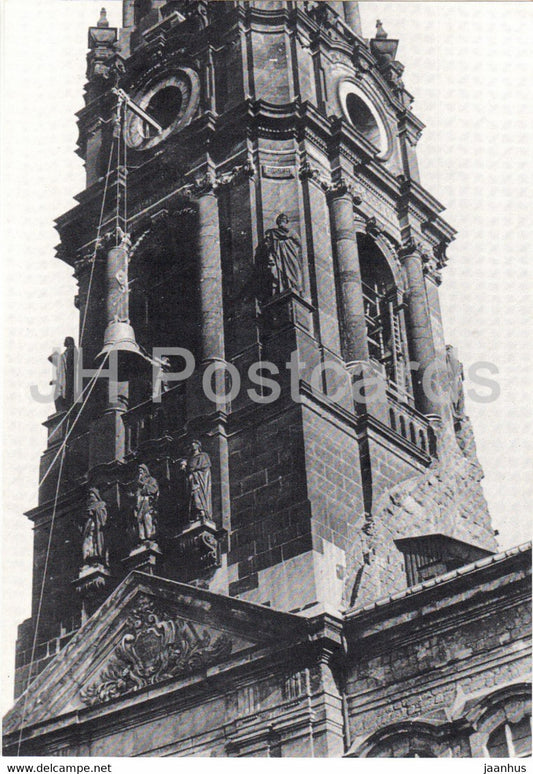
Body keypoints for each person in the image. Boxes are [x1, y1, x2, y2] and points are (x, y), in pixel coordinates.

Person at [261, 213, 302, 296]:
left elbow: (299, 243)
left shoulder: (291, 232)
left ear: (286, 222)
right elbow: (267, 245)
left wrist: (295, 249)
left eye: (284, 220)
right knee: (280, 270)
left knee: (293, 270)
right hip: (279, 255)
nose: (282, 222)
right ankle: (283, 287)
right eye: (280, 220)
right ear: (278, 222)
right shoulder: (272, 232)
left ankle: (293, 285)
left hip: (290, 254)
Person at [180, 441, 212, 523]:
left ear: (198, 446)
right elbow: (187, 471)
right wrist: (184, 467)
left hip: (199, 480)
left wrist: (194, 473)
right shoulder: (189, 459)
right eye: (192, 444)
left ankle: (202, 512)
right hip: (191, 481)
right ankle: (196, 515)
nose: (193, 445)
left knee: (197, 495)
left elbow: (205, 467)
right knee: (192, 497)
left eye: (195, 443)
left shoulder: (203, 455)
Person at [81, 488, 108, 566]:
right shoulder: (87, 507)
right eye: (89, 495)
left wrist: (95, 512)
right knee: (87, 542)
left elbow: (103, 516)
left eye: (92, 494)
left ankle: (96, 558)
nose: (90, 496)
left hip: (97, 527)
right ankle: (88, 559)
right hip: (88, 528)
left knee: (96, 542)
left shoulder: (101, 504)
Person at [132, 464, 159, 543]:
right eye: (139, 470)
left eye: (141, 470)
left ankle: (149, 535)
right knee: (139, 519)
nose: (140, 471)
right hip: (139, 501)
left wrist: (144, 485)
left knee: (147, 517)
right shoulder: (137, 483)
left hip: (147, 501)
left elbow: (154, 489)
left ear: (145, 471)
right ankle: (142, 537)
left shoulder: (151, 479)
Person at [48, 336, 76, 412]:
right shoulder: (65, 355)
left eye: (65, 340)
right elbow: (51, 358)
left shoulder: (71, 351)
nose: (64, 342)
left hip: (68, 380)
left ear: (69, 342)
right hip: (63, 379)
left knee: (60, 394)